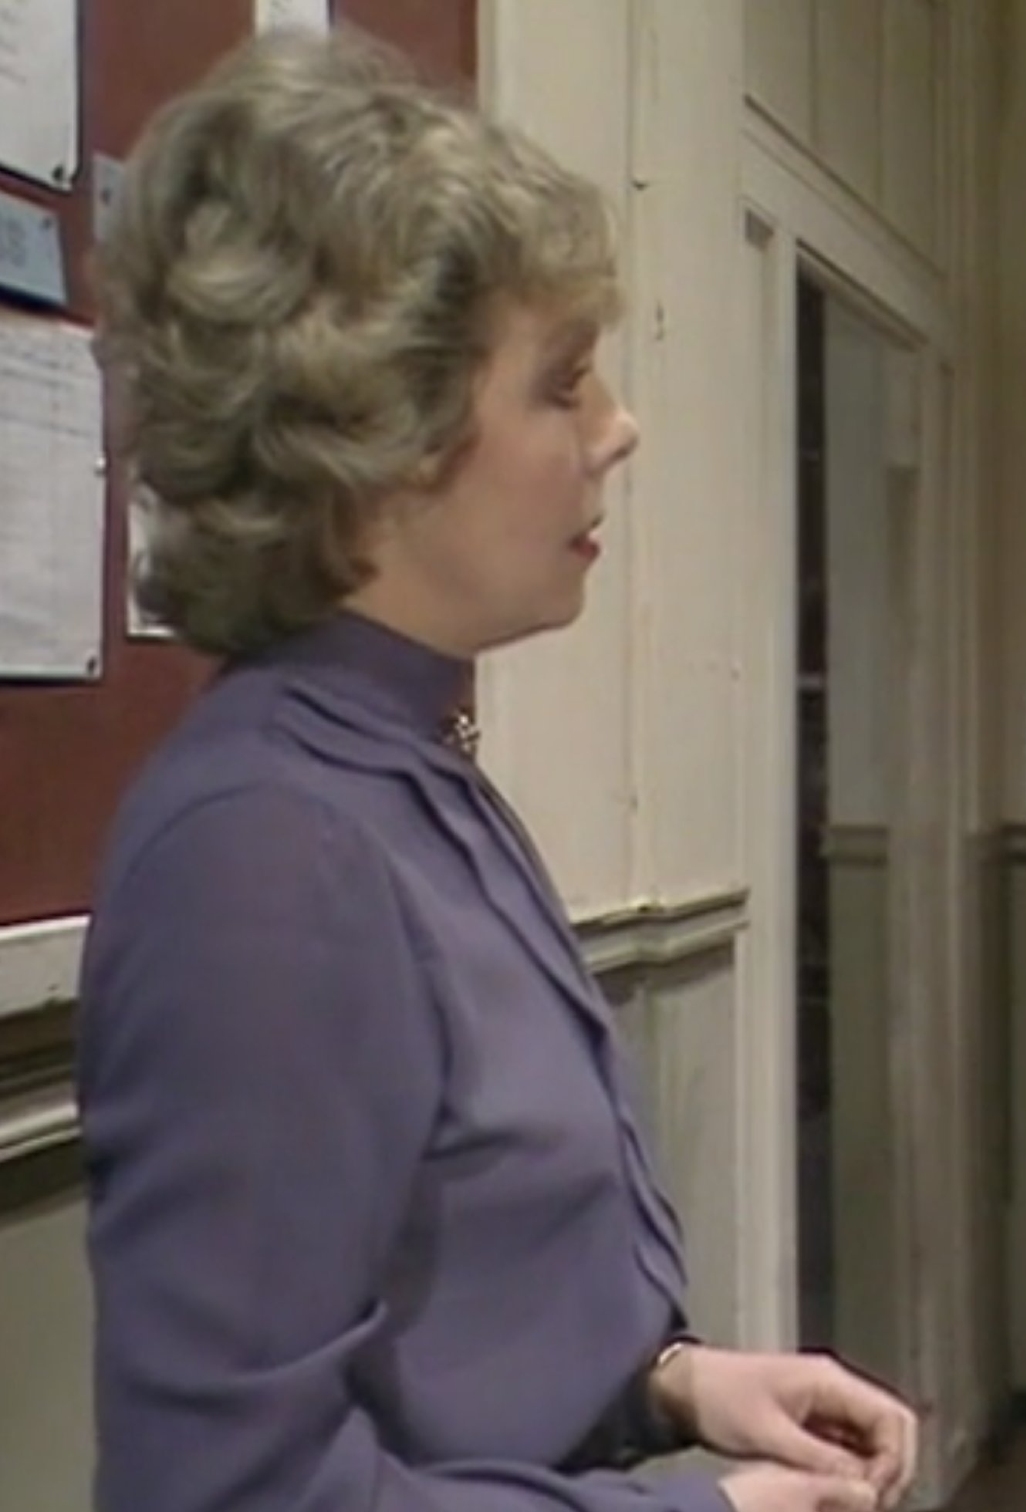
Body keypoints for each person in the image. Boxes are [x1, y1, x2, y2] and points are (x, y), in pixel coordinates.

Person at [78, 30, 916, 1512]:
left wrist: (672, 1383)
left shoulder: (403, 769)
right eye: (562, 384)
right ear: (378, 436)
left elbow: (453, 1319)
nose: (618, 430)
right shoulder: (265, 851)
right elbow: (232, 1491)